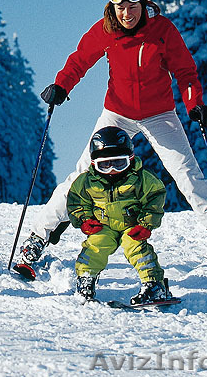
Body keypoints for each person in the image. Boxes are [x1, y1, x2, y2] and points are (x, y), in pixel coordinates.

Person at [19, 0, 207, 282]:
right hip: (117, 114)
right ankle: (36, 240)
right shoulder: (105, 30)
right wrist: (61, 85)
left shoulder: (162, 30)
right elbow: (80, 60)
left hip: (160, 114)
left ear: (142, 2)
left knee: (191, 180)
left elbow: (186, 72)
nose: (126, 12)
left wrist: (195, 104)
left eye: (132, 4)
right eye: (120, 5)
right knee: (81, 176)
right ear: (112, 6)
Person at [68, 126, 173, 304]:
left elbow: (155, 198)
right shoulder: (87, 182)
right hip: (102, 226)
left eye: (119, 163)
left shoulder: (141, 178)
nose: (112, 170)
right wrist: (85, 220)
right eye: (104, 165)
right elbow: (76, 201)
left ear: (130, 159)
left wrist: (146, 224)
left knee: (136, 248)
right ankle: (85, 280)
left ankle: (154, 284)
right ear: (94, 163)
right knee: (95, 246)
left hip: (133, 226)